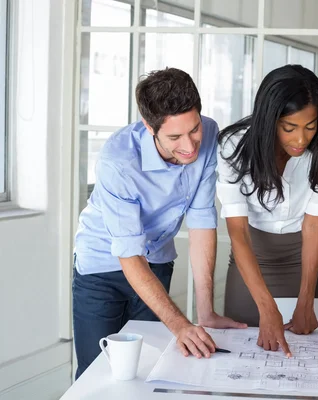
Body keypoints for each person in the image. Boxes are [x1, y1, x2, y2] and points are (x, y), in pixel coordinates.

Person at [72, 68, 245, 379]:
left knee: (151, 368)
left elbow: (202, 219)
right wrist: (179, 323)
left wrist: (205, 312)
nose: (191, 146)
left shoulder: (209, 133)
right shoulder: (118, 161)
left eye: (193, 130)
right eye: (175, 137)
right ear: (149, 127)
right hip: (102, 267)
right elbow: (129, 253)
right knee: (97, 372)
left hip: (157, 261)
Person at [217, 64, 318, 355]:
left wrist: (306, 300)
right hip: (252, 258)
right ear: (269, 120)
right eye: (289, 128)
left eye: (310, 127)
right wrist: (266, 306)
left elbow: (314, 223)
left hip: (304, 260)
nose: (301, 139)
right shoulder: (232, 145)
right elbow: (239, 232)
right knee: (245, 357)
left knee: (304, 355)